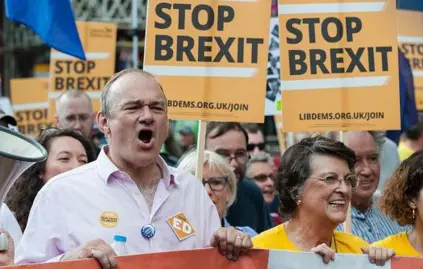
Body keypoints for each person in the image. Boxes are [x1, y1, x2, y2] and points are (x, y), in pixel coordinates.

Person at [15, 69, 251, 267]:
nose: (147, 116)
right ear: (104, 122)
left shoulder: (192, 191)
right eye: (133, 107)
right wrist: (71, 261)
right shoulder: (61, 193)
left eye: (157, 108)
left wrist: (228, 246)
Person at [252, 136, 394, 266]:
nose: (344, 190)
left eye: (348, 180)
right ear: (296, 190)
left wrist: (383, 266)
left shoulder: (358, 251)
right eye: (330, 179)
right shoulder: (260, 251)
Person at [6, 127, 97, 231]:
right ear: (40, 169)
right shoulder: (10, 220)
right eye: (64, 159)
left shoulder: (99, 215)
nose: (77, 167)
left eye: (83, 161)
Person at [336, 131, 408, 243]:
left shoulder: (398, 213)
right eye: (355, 161)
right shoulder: (326, 225)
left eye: (373, 158)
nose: (367, 170)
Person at [206, 122, 273, 233]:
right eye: (223, 154)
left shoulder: (252, 193)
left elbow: (265, 244)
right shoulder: (185, 191)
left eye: (240, 153)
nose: (234, 163)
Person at [177, 150, 257, 237]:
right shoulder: (166, 238)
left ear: (229, 191)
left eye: (216, 182)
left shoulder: (248, 237)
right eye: (197, 182)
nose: (207, 191)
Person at [55, 89, 99, 155]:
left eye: (84, 117)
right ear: (57, 121)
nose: (77, 126)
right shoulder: (42, 162)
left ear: (93, 118)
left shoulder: (107, 161)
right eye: (70, 118)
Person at [245, 153, 282, 225]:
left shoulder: (278, 220)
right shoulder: (239, 223)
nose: (270, 183)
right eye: (261, 178)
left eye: (272, 177)